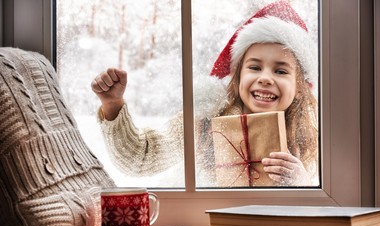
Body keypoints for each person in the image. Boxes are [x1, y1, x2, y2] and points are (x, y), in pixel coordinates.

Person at [91, 1, 318, 186]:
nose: (265, 78)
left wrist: (302, 183)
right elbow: (139, 159)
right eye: (255, 67)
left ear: (299, 88)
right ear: (237, 78)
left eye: (280, 71)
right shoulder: (201, 122)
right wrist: (113, 104)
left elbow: (325, 204)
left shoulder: (312, 141)